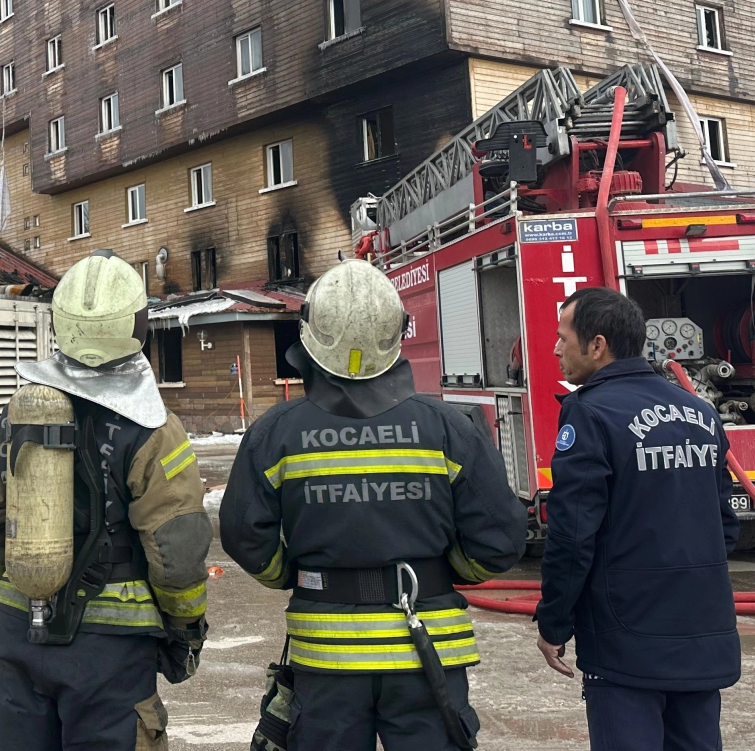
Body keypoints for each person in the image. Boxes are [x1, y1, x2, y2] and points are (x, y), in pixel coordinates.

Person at [221, 259, 527, 751]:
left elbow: (242, 534)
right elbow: (502, 538)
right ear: (397, 333)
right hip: (427, 651)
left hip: (326, 659)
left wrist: (288, 574)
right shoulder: (447, 427)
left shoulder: (275, 433)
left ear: (310, 336)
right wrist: (441, 568)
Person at [0, 251, 211, 751]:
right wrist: (184, 631)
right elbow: (177, 552)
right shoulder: (155, 429)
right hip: (110, 656)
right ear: (136, 326)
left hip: (19, 633)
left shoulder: (17, 415)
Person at [534, 286, 739, 751]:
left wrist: (554, 622)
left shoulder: (589, 414)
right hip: (703, 634)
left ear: (597, 345)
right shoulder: (701, 413)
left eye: (564, 337)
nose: (556, 348)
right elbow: (724, 526)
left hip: (626, 640)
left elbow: (572, 536)